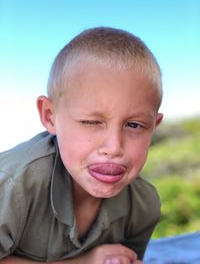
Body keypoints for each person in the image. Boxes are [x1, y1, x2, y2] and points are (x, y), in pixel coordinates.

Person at [0, 27, 163, 264]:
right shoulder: (13, 186)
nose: (114, 147)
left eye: (135, 125)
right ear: (49, 116)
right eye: (91, 122)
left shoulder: (143, 205)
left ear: (154, 126)